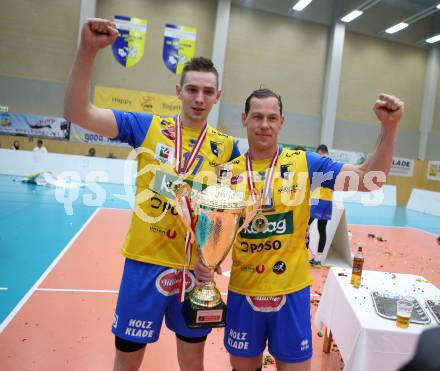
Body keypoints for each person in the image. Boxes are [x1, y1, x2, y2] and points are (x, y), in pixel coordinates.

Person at [64, 18, 240, 371]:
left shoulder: (226, 148)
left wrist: (216, 258)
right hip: (144, 267)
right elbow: (77, 112)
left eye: (208, 92)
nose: (199, 98)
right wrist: (87, 52)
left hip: (194, 272)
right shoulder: (147, 128)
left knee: (193, 364)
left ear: (218, 96)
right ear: (178, 91)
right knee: (127, 362)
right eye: (192, 89)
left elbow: (230, 211)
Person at [195, 88, 403, 371]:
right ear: (244, 119)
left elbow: (368, 180)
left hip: (291, 293)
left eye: (272, 117)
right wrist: (207, 258)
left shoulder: (304, 163)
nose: (264, 125)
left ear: (282, 122)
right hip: (244, 292)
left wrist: (388, 128)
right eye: (257, 117)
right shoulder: (227, 174)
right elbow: (216, 231)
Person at [308, 144, 333, 267]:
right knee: (322, 230)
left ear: (321, 152)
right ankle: (318, 259)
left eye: (318, 154)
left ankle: (303, 256)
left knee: (304, 226)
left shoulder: (321, 163)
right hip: (328, 201)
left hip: (318, 199)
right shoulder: (332, 164)